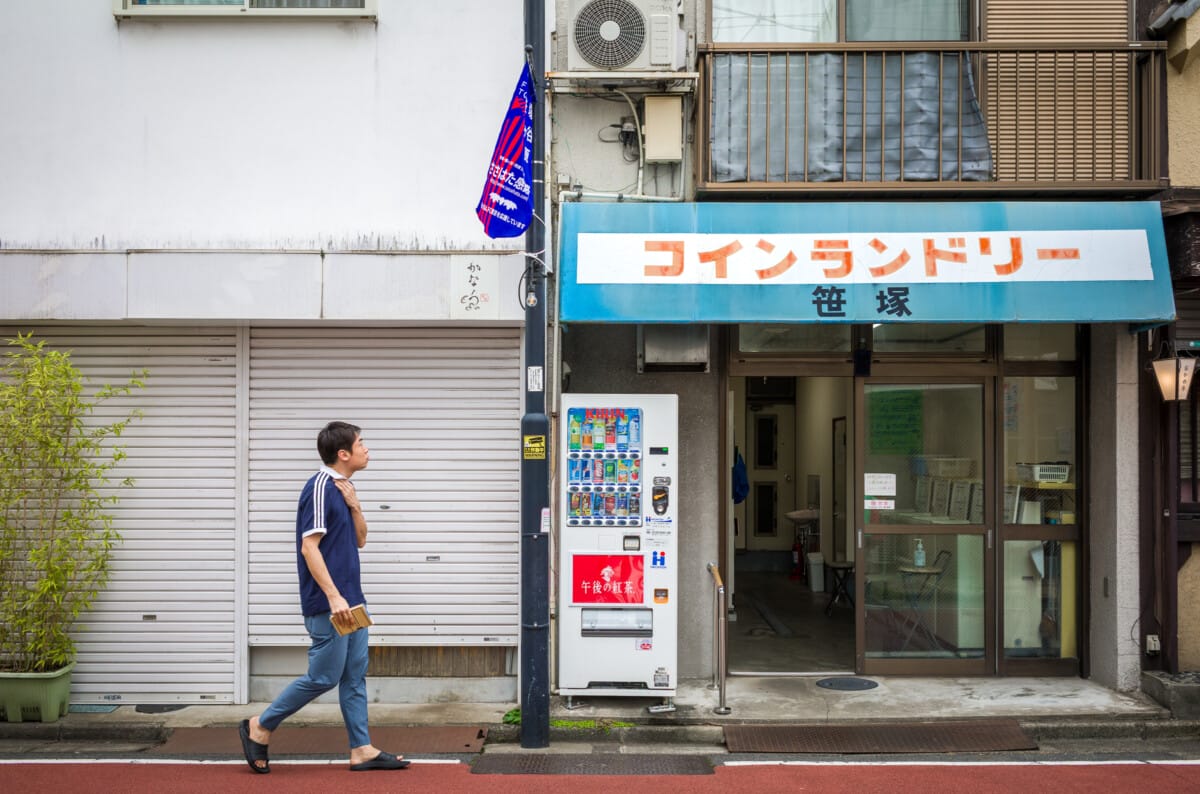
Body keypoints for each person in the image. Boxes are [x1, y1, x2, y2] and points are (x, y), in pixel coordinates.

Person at [238, 421, 408, 774]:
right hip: (331, 605)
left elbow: (360, 540)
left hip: (353, 601)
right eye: (361, 443)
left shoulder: (343, 489)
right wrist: (333, 597)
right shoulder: (318, 488)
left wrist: (356, 505)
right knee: (322, 677)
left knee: (353, 676)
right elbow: (308, 546)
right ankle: (261, 724)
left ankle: (361, 749)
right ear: (342, 453)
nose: (367, 449)